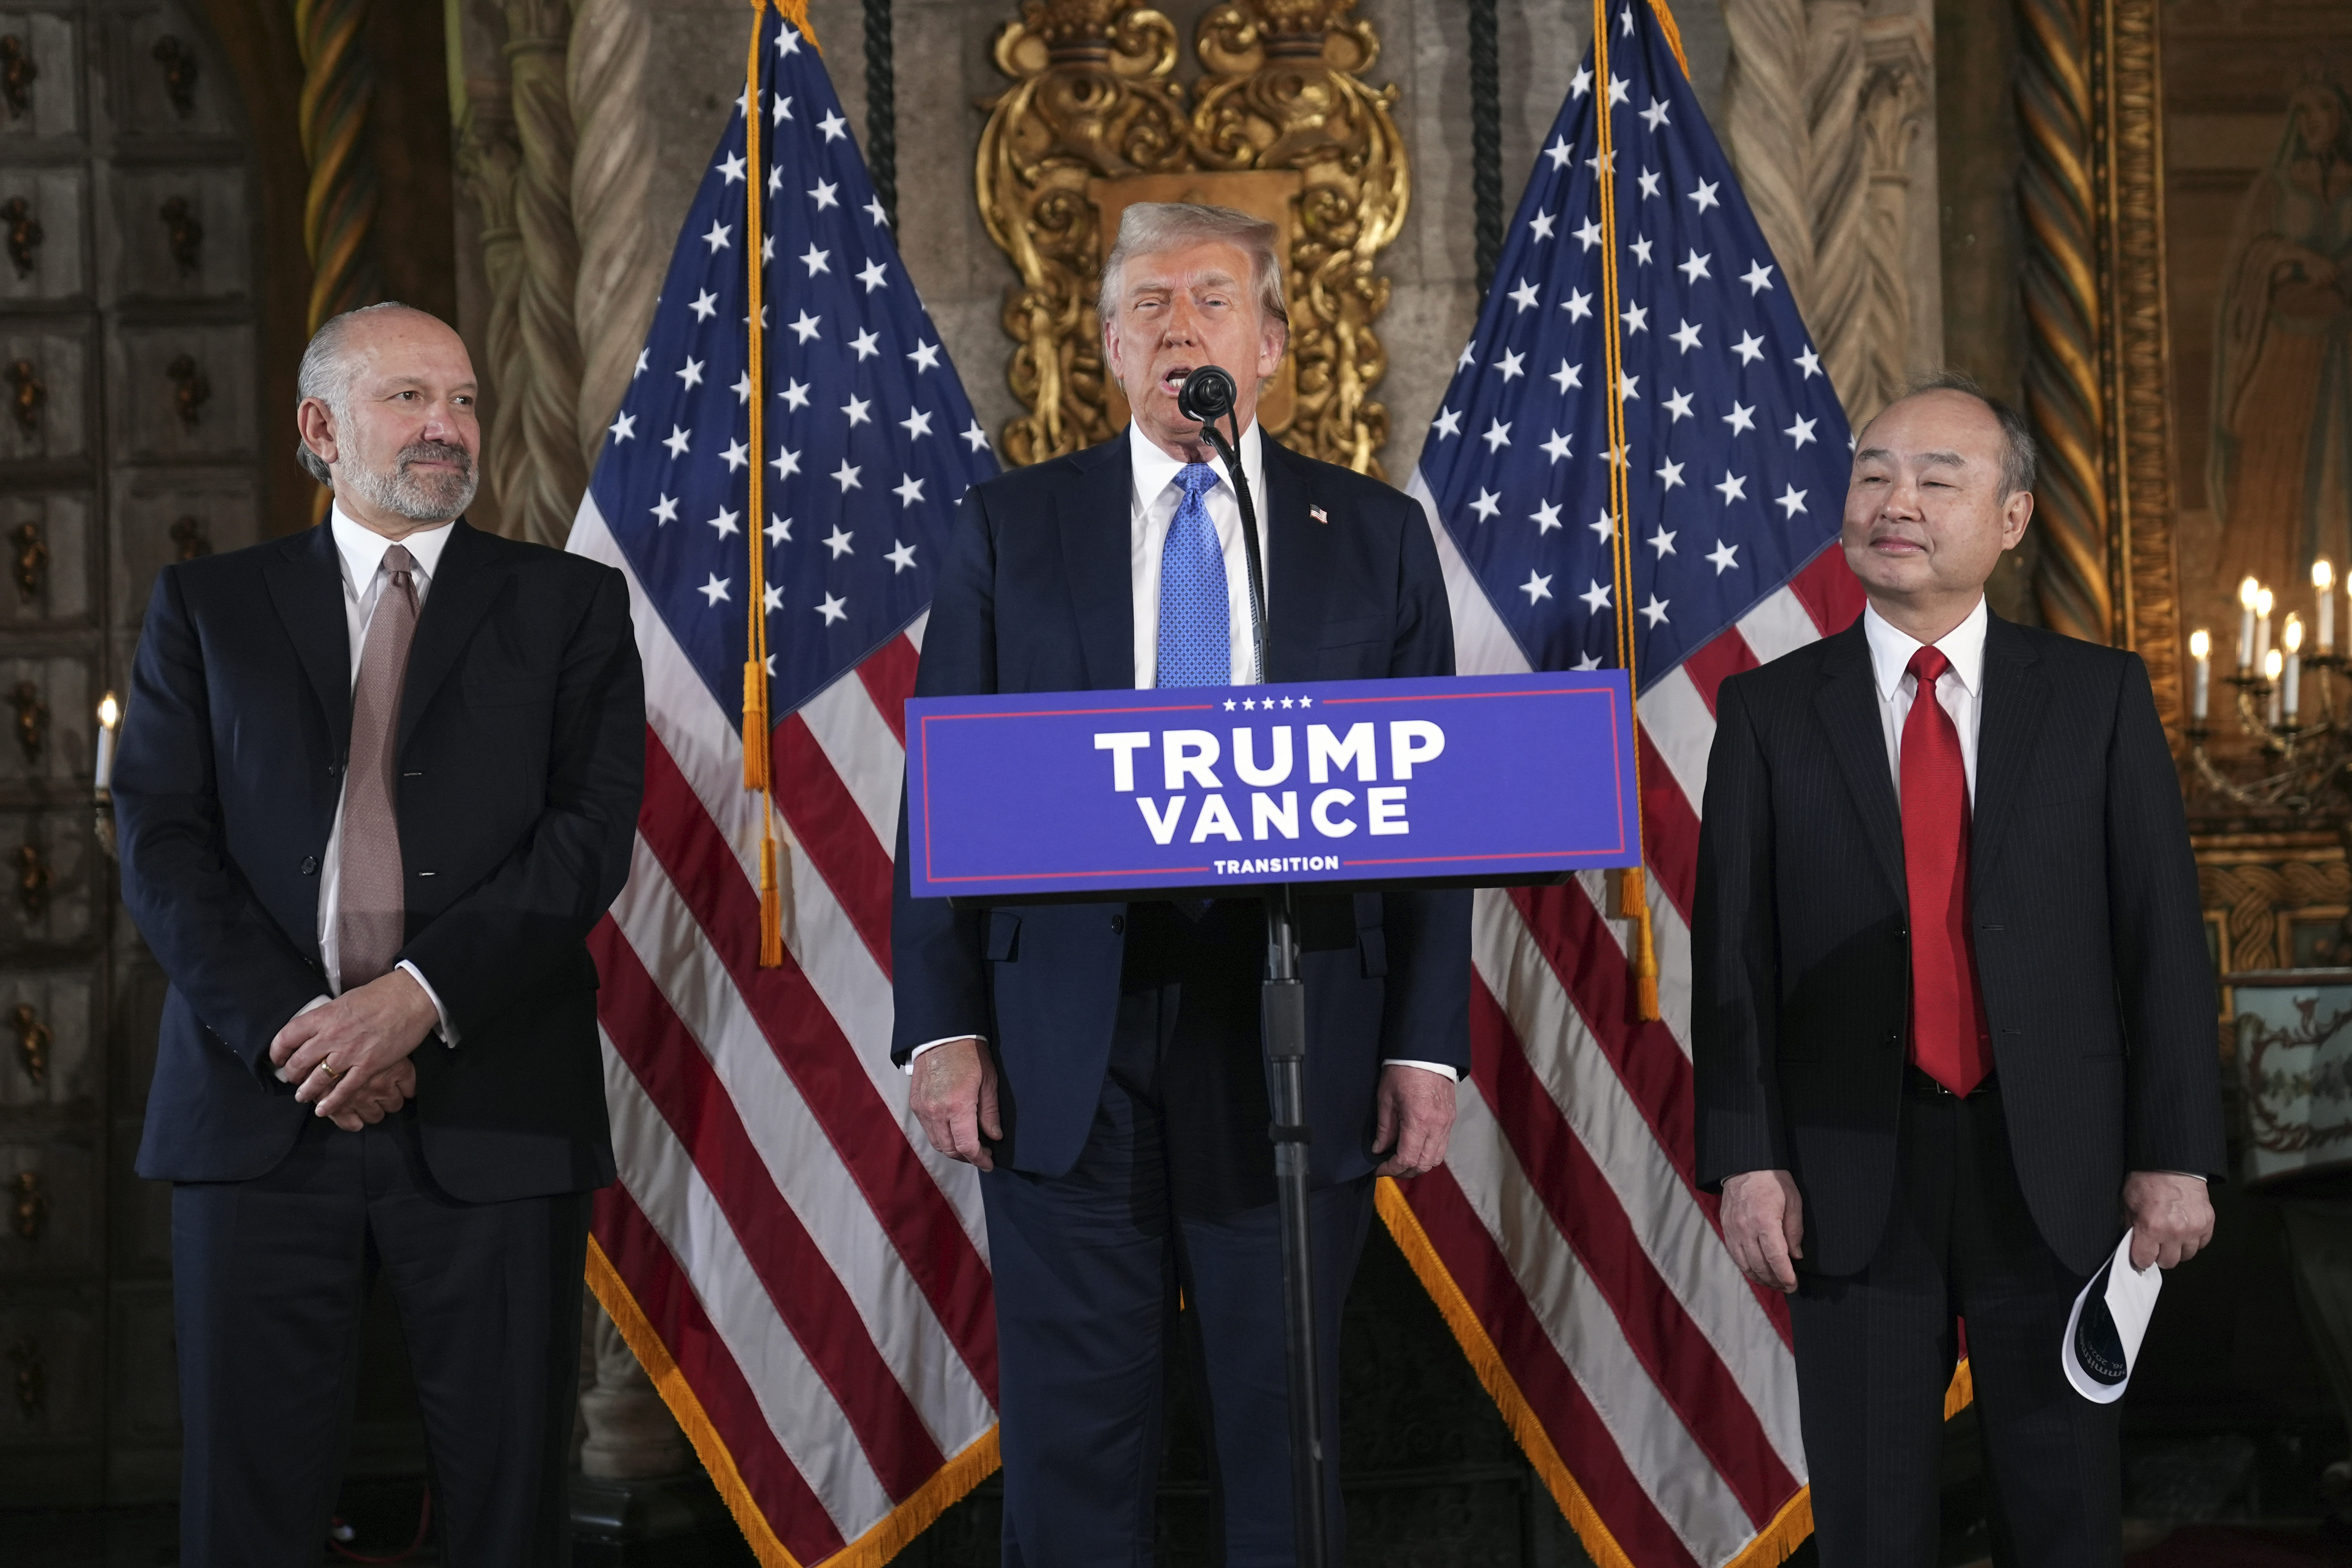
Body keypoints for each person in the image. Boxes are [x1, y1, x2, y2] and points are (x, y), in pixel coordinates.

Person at [891, 202, 1471, 1564]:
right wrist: (946, 1027)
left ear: (1270, 345)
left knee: (1286, 1424)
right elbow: (945, 790)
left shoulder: (1371, 535)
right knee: (1075, 1433)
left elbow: (1432, 811)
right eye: (1145, 307)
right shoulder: (1010, 528)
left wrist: (1424, 1046)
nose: (1177, 328)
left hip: (1292, 1024)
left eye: (1210, 302)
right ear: (1104, 348)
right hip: (1062, 1040)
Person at [114, 302, 645, 1566]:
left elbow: (586, 837)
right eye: (409, 399)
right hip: (260, 1111)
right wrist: (304, 1031)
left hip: (495, 1102)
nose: (446, 427)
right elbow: (160, 841)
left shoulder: (568, 607)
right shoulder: (208, 608)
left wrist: (414, 999)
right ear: (320, 427)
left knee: (506, 1504)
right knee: (247, 1504)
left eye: (462, 400)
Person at [1693, 375, 2225, 1566]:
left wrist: (2176, 1153)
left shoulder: (2096, 698)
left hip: (2058, 1164)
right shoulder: (1769, 712)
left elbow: (2161, 939)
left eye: (1940, 478)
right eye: (1876, 472)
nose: (1900, 500)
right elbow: (1732, 956)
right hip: (1847, 1168)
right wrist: (1746, 1157)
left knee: (2062, 1511)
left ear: (2013, 518)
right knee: (1873, 1524)